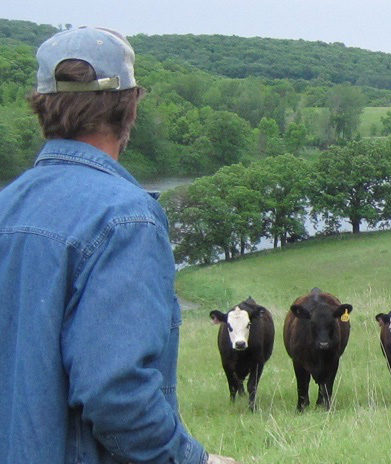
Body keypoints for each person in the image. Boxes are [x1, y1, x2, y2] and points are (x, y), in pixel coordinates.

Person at [0, 26, 240, 464]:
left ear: (41, 106)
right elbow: (116, 394)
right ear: (127, 107)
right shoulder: (125, 219)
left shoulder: (6, 206)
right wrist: (195, 460)